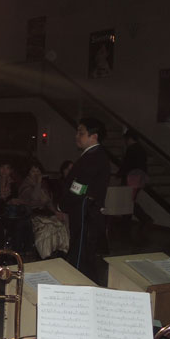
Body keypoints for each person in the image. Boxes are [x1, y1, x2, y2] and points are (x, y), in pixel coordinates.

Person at [60, 118, 111, 283]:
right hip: (86, 212)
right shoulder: (93, 155)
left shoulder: (93, 157)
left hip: (85, 213)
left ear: (93, 136)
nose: (77, 136)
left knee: (80, 256)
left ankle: (79, 288)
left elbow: (79, 188)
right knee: (85, 256)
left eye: (81, 133)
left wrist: (62, 205)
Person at [17, 161, 69, 259]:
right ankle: (46, 255)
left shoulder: (43, 184)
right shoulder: (25, 185)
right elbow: (34, 198)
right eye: (33, 171)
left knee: (61, 222)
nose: (36, 174)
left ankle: (61, 252)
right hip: (32, 214)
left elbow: (48, 201)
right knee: (48, 227)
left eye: (38, 171)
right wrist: (38, 183)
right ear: (28, 173)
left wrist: (56, 212)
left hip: (45, 212)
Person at [118, 129, 153, 226]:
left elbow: (127, 165)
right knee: (129, 200)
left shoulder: (131, 149)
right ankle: (129, 220)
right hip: (140, 177)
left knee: (127, 200)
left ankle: (143, 218)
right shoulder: (141, 149)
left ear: (129, 139)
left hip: (132, 178)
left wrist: (119, 174)